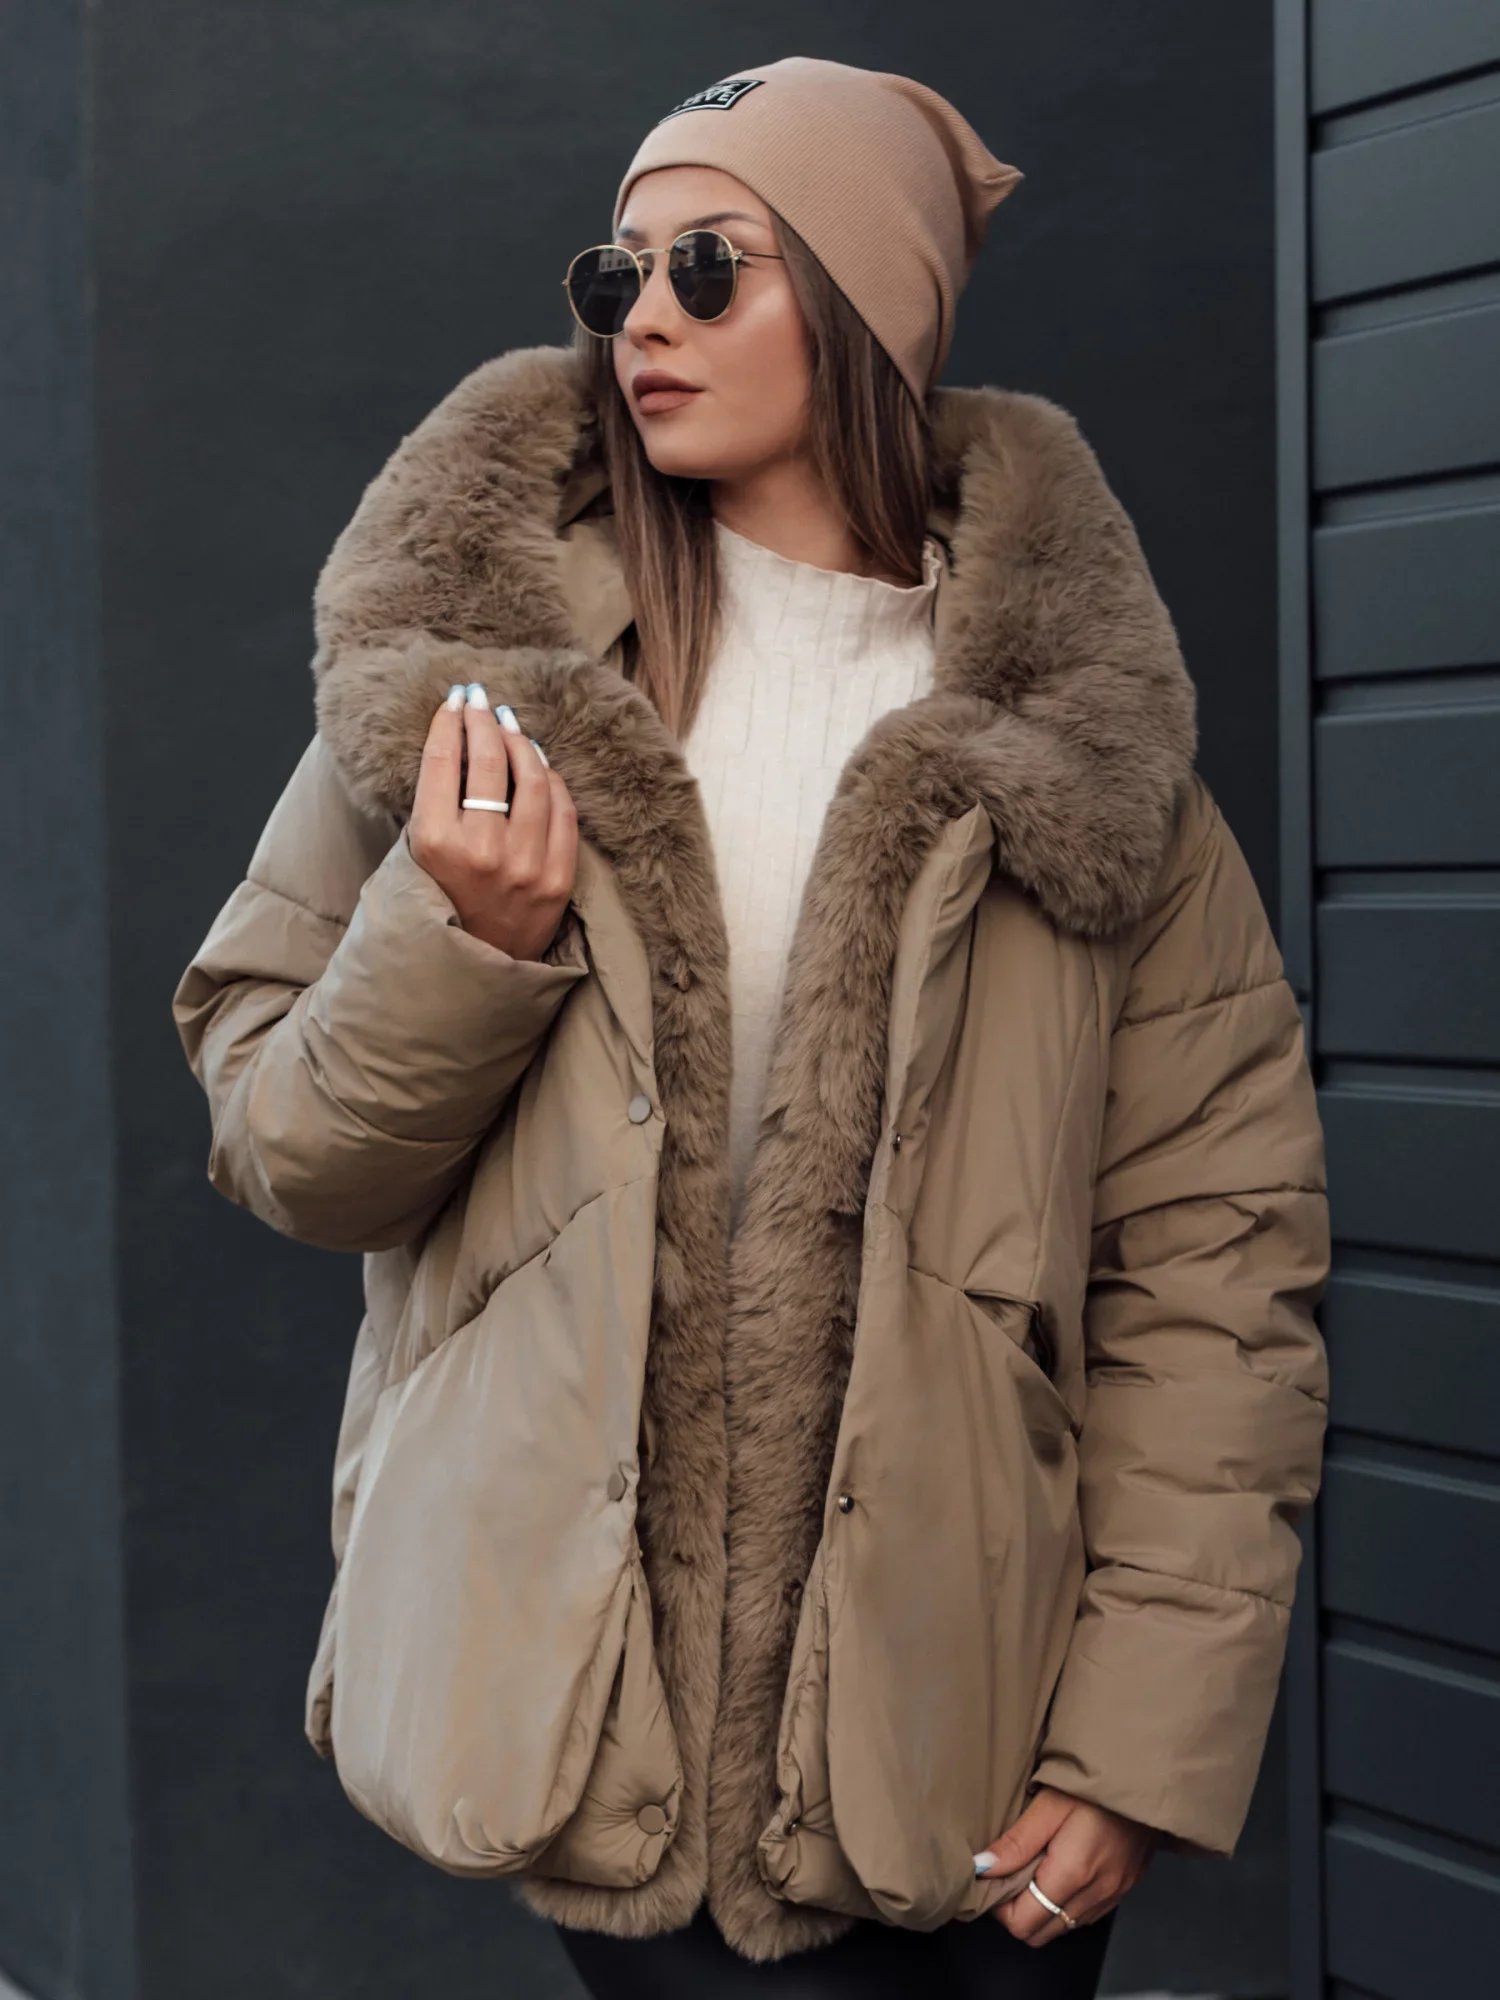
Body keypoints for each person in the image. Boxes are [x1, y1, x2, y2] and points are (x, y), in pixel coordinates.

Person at [173, 55, 1331, 2000]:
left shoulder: (1080, 758)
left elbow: (1218, 1268)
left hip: (968, 1736)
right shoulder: (481, 695)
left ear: (872, 309)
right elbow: (285, 1148)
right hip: (586, 1726)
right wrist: (463, 943)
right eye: (615, 272)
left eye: (709, 264)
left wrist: (1141, 1740)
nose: (644, 317)